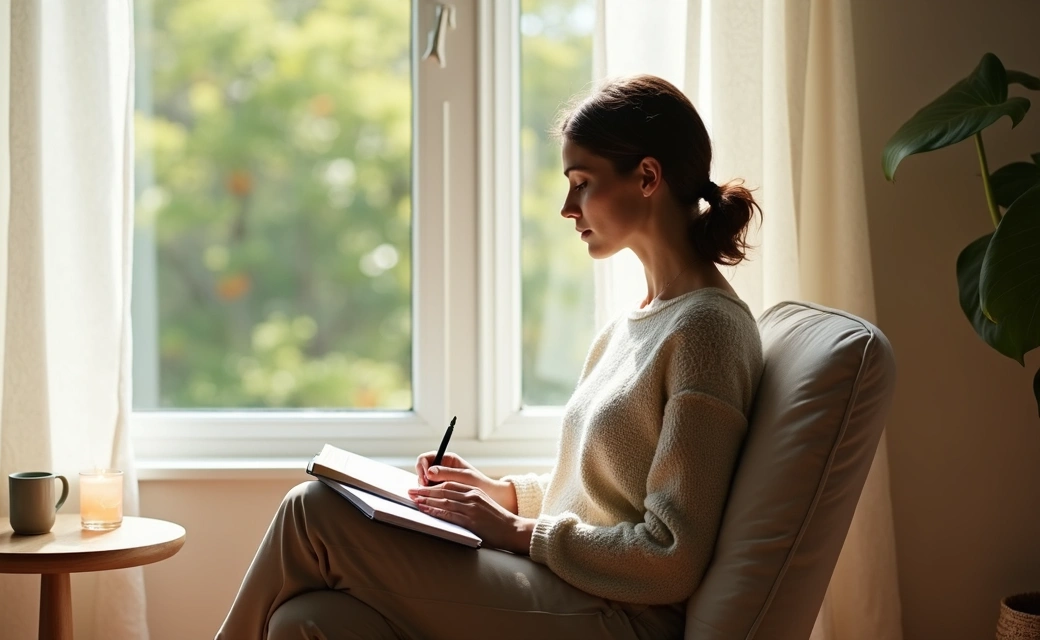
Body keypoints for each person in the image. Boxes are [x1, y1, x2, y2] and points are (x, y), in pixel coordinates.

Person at [215, 74, 765, 640]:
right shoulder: (636, 321)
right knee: (305, 623)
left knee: (313, 510)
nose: (567, 207)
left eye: (582, 182)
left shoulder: (707, 331)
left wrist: (512, 530)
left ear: (648, 177)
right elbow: (595, 493)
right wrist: (493, 492)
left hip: (620, 615)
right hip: (572, 587)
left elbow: (671, 556)